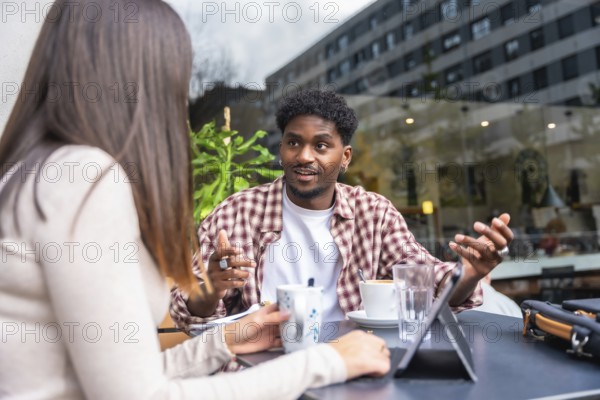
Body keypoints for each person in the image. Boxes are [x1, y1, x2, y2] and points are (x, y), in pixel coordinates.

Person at [0, 1, 391, 398]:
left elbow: (129, 378)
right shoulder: (83, 180)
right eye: (175, 79)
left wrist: (223, 342)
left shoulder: (39, 173)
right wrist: (329, 362)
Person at [170, 89, 514, 328]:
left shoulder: (373, 213)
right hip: (262, 369)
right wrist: (211, 289)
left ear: (344, 157)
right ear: (282, 150)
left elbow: (424, 282)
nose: (304, 156)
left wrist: (470, 274)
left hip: (353, 367)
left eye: (321, 145)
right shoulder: (237, 213)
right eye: (293, 143)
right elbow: (189, 312)